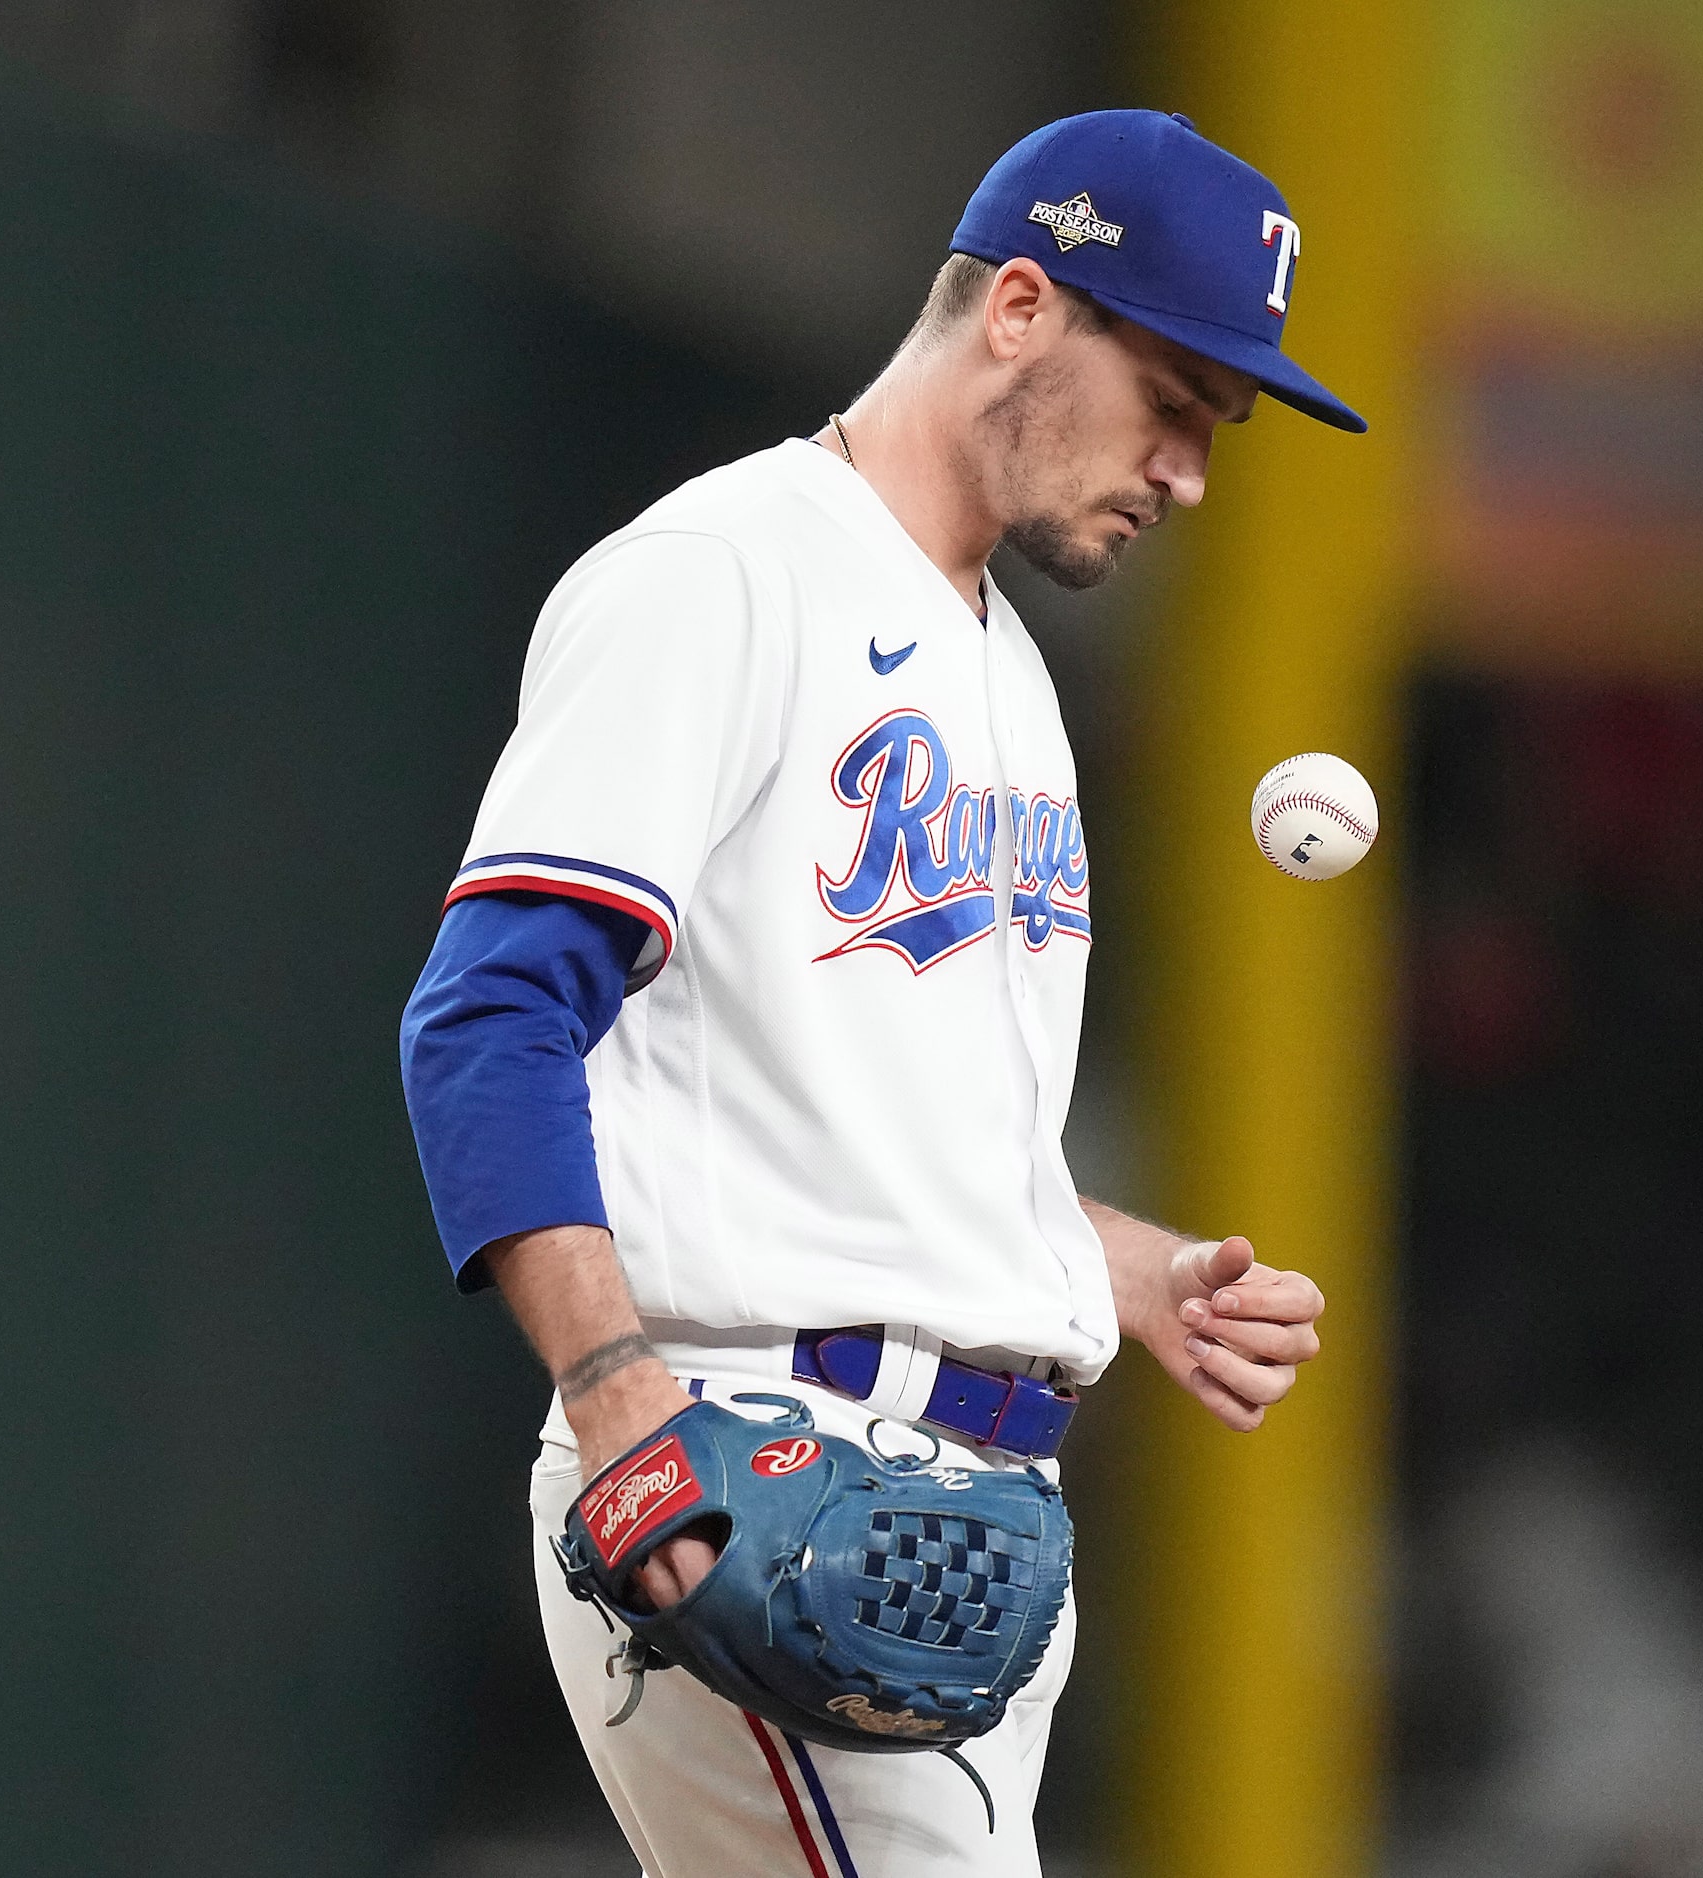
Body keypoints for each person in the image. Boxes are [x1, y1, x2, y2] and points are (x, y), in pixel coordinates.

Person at [399, 109, 1364, 1877]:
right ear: (1018, 307)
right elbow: (488, 1017)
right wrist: (624, 1411)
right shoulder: (725, 576)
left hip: (964, 1525)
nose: (1194, 472)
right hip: (764, 1463)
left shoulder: (1008, 668)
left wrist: (1116, 1264)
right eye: (1175, 402)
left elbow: (872, 1113)